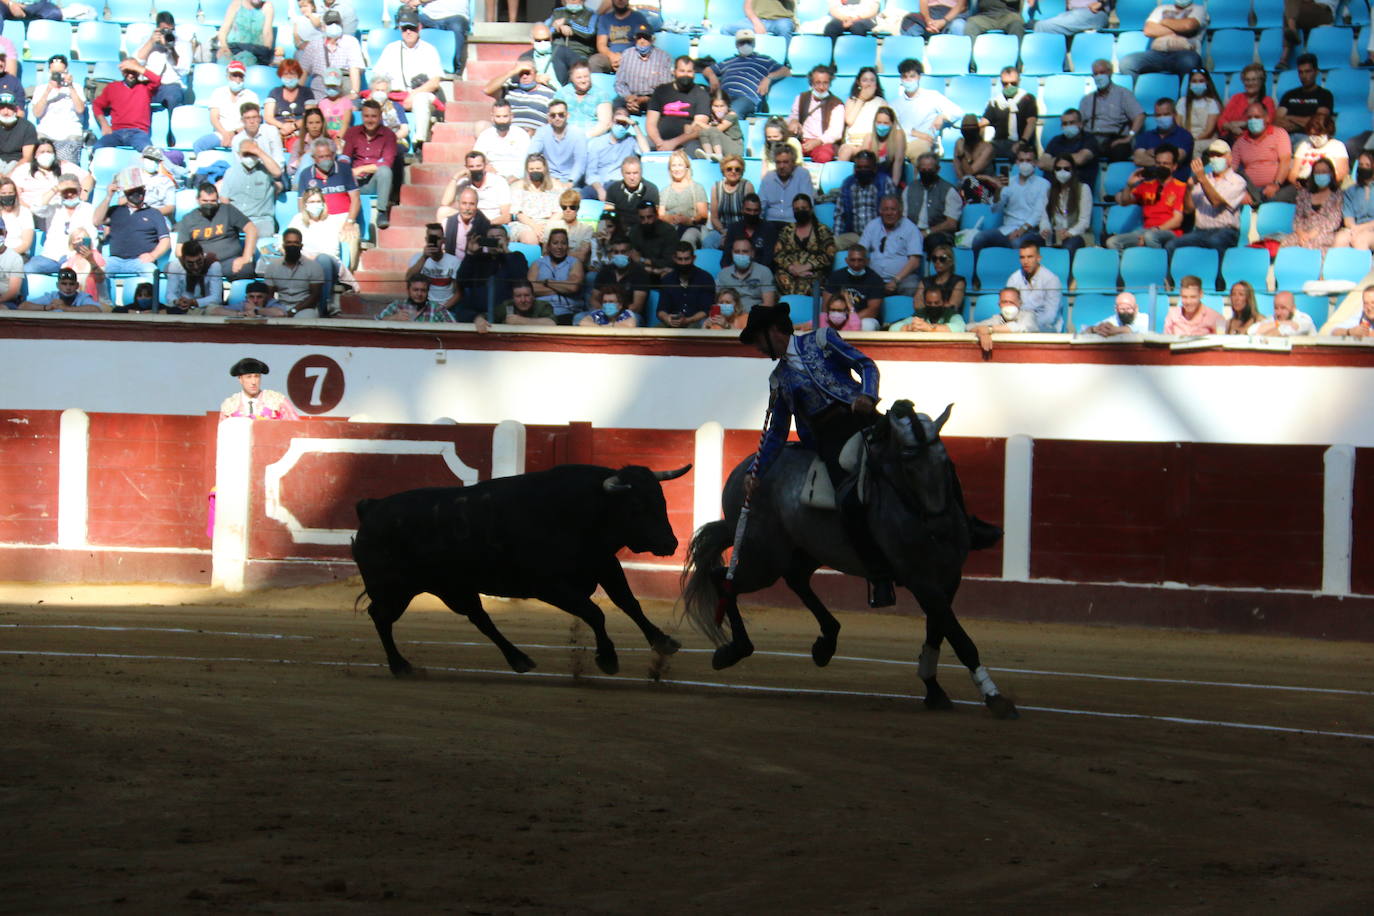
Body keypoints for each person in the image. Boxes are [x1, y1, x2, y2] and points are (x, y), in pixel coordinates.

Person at [737, 301, 893, 606]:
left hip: (862, 417)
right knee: (849, 499)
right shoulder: (778, 379)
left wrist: (867, 395)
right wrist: (756, 471)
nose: (756, 347)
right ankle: (878, 575)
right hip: (830, 439)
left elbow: (866, 365)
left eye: (756, 338)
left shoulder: (821, 340)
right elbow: (778, 432)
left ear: (772, 332)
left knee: (921, 452)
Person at [371, 10, 444, 144]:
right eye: (405, 28)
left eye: (412, 28)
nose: (408, 32)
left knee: (421, 99)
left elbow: (435, 82)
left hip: (421, 94)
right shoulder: (390, 49)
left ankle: (419, 143)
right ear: (400, 29)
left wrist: (412, 95)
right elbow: (378, 77)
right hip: (394, 96)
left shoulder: (429, 50)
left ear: (419, 28)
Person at [1166, 139, 1248, 254]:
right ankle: (1174, 272)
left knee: (1213, 243)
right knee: (1172, 245)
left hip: (1226, 231)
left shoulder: (1237, 181)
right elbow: (1189, 210)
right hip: (1200, 231)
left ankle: (1218, 272)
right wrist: (1189, 188)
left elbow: (1216, 202)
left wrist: (1202, 179)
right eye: (1212, 156)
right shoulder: (1202, 179)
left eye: (1219, 155)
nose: (1215, 159)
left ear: (1229, 158)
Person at [93, 173, 169, 285]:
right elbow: (96, 221)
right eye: (131, 191)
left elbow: (165, 241)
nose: (136, 194)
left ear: (144, 191)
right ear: (126, 192)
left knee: (152, 273)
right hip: (115, 260)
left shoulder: (154, 214)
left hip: (141, 261)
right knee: (97, 274)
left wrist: (153, 255)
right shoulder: (116, 211)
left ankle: (152, 302)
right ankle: (104, 302)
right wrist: (109, 196)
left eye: (139, 190)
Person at [1107, 143, 1187, 249]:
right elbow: (1125, 202)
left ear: (1174, 166)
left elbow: (1177, 221)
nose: (1161, 166)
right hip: (1146, 230)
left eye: (1166, 164)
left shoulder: (1181, 187)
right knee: (1112, 242)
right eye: (1158, 163)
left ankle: (1160, 263)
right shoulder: (1146, 185)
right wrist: (1129, 186)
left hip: (1169, 232)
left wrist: (1155, 230)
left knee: (1150, 237)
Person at [973, 146, 1049, 252]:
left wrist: (1021, 230)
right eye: (1021, 160)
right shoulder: (1009, 182)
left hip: (1030, 231)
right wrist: (998, 190)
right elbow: (995, 209)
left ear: (1035, 162)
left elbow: (1038, 213)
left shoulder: (1043, 184)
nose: (1025, 164)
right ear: (1016, 163)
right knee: (979, 238)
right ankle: (976, 268)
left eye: (1028, 160)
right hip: (1006, 229)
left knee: (1017, 243)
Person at [175, 183, 258, 280]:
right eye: (205, 201)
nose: (209, 204)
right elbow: (179, 250)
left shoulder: (228, 210)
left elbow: (251, 229)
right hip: (201, 264)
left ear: (218, 199)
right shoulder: (188, 219)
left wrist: (245, 257)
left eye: (213, 201)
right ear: (197, 200)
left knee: (245, 269)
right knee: (172, 269)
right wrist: (196, 263)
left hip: (229, 261)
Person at [286, 186, 355, 302]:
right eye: (312, 202)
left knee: (322, 260)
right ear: (305, 204)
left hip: (327, 262)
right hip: (302, 261)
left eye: (318, 201)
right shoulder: (297, 220)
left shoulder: (332, 221)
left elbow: (332, 251)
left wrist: (313, 258)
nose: (315, 204)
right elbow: (286, 242)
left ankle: (323, 305)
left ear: (323, 203)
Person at [705, 29, 790, 120]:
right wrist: (712, 76)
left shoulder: (765, 60)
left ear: (754, 44)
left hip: (747, 98)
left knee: (733, 113)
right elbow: (708, 69)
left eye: (749, 42)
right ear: (737, 45)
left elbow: (786, 71)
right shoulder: (728, 61)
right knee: (704, 110)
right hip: (724, 97)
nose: (746, 45)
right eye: (742, 42)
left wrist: (768, 78)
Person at [342, 99, 398, 228]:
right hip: (354, 182)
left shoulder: (389, 135)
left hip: (374, 181)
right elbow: (345, 157)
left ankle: (382, 211)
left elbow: (387, 162)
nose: (370, 120)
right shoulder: (352, 133)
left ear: (380, 117)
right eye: (366, 116)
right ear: (362, 116)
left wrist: (361, 169)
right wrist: (348, 171)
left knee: (385, 171)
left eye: (374, 116)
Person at [890, 59, 960, 163]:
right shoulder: (895, 104)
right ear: (901, 79)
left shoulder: (932, 96)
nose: (908, 80)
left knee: (922, 154)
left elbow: (958, 112)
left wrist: (942, 116)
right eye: (905, 77)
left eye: (912, 76)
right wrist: (915, 133)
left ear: (919, 77)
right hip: (900, 143)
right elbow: (891, 128)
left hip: (923, 144)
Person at [454, 226, 530, 320]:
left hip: (506, 311)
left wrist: (506, 251)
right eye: (491, 238)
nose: (494, 240)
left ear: (507, 240)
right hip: (479, 312)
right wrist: (470, 254)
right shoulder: (478, 259)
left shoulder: (516, 257)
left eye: (498, 237)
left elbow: (520, 278)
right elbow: (462, 281)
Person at [24, 174, 94, 275]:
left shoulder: (88, 209)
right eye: (66, 191)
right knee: (28, 269)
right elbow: (36, 208)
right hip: (50, 257)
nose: (69, 194)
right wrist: (56, 189)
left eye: (73, 191)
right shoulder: (53, 207)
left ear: (79, 190)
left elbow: (92, 236)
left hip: (75, 257)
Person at [772, 193, 836, 298]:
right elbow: (778, 253)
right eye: (796, 209)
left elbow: (829, 255)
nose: (800, 211)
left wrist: (806, 267)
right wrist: (792, 268)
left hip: (813, 273)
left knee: (807, 284)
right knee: (780, 278)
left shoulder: (822, 230)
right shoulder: (787, 230)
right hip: (789, 272)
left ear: (810, 209)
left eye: (803, 208)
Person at [1119, 0, 1206, 77]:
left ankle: (1183, 94)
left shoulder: (1199, 9)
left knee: (1189, 61)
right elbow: (1149, 30)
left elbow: (1188, 26)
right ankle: (1132, 94)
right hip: (1157, 54)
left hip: (1185, 53)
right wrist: (1180, 30)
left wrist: (1164, 21)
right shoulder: (1160, 8)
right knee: (1127, 63)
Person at [1080, 59, 1144, 163]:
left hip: (1115, 139)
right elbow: (1080, 123)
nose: (1098, 77)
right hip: (1092, 139)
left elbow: (1139, 116)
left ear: (1110, 72)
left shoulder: (1123, 94)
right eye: (1095, 74)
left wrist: (1129, 137)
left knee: (1120, 151)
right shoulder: (1087, 99)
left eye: (1102, 73)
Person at [221, 138, 285, 240]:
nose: (250, 157)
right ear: (239, 154)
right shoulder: (230, 172)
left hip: (261, 220)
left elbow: (277, 172)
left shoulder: (267, 171)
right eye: (246, 154)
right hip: (236, 219)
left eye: (253, 154)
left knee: (263, 236)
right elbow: (224, 200)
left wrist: (258, 151)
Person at [837, 145, 900, 248]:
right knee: (831, 244)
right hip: (855, 235)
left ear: (874, 168)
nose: (863, 170)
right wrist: (837, 235)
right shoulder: (847, 184)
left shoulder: (884, 182)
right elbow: (840, 215)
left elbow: (893, 213)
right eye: (859, 168)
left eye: (866, 168)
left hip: (880, 234)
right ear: (855, 169)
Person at [859, 195, 922, 296]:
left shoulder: (911, 228)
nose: (889, 213)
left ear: (900, 211)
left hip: (902, 279)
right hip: (875, 278)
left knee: (912, 285)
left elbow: (915, 261)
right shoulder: (872, 225)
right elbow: (860, 251)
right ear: (880, 211)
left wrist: (896, 280)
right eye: (885, 209)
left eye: (893, 209)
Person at [1231, 103, 1294, 205]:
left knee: (1274, 200)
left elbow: (1285, 162)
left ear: (1267, 118)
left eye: (1257, 117)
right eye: (1250, 118)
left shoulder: (1279, 134)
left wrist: (1276, 184)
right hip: (1250, 190)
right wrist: (1241, 192)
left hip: (1277, 187)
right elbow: (1232, 169)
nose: (1253, 121)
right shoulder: (1240, 142)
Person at [1276, 157, 1343, 251]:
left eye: (1324, 172)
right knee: (1286, 244)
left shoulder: (1337, 195)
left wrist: (1314, 233)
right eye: (1317, 172)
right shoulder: (1304, 193)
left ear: (1331, 174)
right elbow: (1297, 218)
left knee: (1310, 245)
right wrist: (1301, 233)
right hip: (1303, 232)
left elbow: (1334, 221)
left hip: (1324, 233)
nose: (1320, 175)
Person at [92, 59, 160, 151]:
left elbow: (157, 80)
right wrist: (104, 124)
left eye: (133, 72)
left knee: (148, 151)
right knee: (97, 149)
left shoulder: (145, 87)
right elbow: (97, 105)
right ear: (122, 72)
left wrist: (136, 67)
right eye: (127, 71)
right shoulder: (113, 87)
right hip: (116, 133)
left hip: (138, 132)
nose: (130, 75)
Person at [257, 226, 326, 317]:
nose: (292, 246)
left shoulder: (314, 267)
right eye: (289, 242)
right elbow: (269, 294)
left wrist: (294, 310)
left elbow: (315, 296)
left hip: (305, 308)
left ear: (301, 246)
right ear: (283, 246)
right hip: (280, 306)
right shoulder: (273, 266)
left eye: (295, 243)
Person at [647, 56, 710, 155]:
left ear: (694, 73)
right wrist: (659, 143)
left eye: (689, 71)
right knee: (640, 145)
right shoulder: (661, 90)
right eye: (682, 71)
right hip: (659, 140)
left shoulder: (701, 94)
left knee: (695, 150)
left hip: (687, 142)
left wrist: (673, 143)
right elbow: (650, 123)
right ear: (674, 71)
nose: (686, 75)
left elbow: (699, 127)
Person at [194, 61, 260, 153]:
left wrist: (234, 134)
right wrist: (225, 134)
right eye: (234, 75)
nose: (237, 79)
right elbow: (214, 118)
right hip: (221, 133)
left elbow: (253, 121)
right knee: (199, 145)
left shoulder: (251, 96)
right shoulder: (218, 93)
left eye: (240, 76)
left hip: (244, 134)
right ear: (228, 76)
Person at [29, 57, 84, 164]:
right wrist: (47, 91)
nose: (58, 75)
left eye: (60, 72)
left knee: (66, 166)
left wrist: (70, 87)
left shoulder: (76, 87)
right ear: (49, 71)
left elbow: (80, 109)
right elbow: (37, 113)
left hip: (70, 133)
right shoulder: (41, 88)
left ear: (66, 71)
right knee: (41, 163)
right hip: (46, 134)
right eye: (55, 72)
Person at [297, 10, 364, 98]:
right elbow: (304, 71)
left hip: (343, 93)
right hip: (319, 94)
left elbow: (354, 68)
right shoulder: (314, 45)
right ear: (323, 26)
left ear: (342, 25)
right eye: (330, 23)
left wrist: (354, 93)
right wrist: (297, 95)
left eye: (337, 23)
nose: (334, 26)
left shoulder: (351, 42)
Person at [786, 66, 845, 164]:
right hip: (802, 140)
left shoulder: (837, 103)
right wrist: (793, 121)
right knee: (786, 152)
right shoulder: (801, 97)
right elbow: (794, 115)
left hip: (822, 143)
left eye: (825, 83)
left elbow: (836, 132)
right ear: (811, 83)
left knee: (824, 156)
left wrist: (818, 141)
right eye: (818, 83)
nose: (821, 87)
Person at [133, 13, 190, 112]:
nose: (167, 33)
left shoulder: (183, 44)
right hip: (148, 84)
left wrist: (171, 48)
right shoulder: (147, 40)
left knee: (172, 97)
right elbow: (135, 62)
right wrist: (151, 42)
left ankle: (171, 126)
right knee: (136, 97)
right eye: (164, 30)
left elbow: (183, 70)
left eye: (170, 30)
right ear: (157, 29)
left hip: (170, 85)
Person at [486, 55, 557, 135]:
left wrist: (536, 133)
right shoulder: (509, 89)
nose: (524, 76)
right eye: (520, 73)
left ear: (535, 73)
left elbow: (554, 122)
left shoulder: (549, 94)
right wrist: (512, 72)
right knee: (481, 126)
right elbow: (487, 90)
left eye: (527, 73)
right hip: (507, 134)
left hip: (534, 136)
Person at [614, 25, 672, 118]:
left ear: (652, 40)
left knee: (664, 105)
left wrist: (644, 99)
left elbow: (665, 88)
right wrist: (629, 97)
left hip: (652, 98)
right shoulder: (627, 54)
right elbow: (619, 82)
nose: (642, 41)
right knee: (616, 104)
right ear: (635, 39)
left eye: (646, 38)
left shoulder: (663, 57)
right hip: (630, 97)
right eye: (639, 38)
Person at [400, 0, 470, 78]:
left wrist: (419, 1)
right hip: (428, 16)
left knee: (457, 27)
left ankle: (456, 70)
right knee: (407, 22)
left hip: (456, 15)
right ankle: (406, 66)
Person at [510, 152, 568, 245]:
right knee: (530, 239)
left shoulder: (556, 186)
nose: (535, 171)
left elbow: (559, 211)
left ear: (545, 169)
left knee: (556, 236)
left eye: (538, 168)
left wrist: (546, 227)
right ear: (527, 170)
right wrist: (535, 227)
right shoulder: (518, 186)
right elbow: (518, 214)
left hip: (551, 222)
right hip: (526, 223)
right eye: (531, 169)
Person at [904, 152, 961, 245]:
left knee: (934, 241)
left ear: (937, 169)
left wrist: (927, 232)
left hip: (938, 234)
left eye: (930, 169)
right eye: (923, 169)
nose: (926, 171)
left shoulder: (949, 190)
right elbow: (904, 217)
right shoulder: (909, 189)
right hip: (913, 232)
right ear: (918, 169)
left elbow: (951, 224)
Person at [1006, 237, 1062, 332]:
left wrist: (1026, 324)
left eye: (1030, 257)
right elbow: (1008, 308)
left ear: (1039, 258)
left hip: (1046, 329)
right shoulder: (1014, 278)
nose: (1025, 261)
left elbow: (1050, 317)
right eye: (1022, 257)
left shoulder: (1051, 280)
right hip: (1018, 327)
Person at [441, 150, 510, 227]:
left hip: (491, 222)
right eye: (471, 166)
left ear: (485, 166)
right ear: (466, 167)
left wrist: (486, 224)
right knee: (443, 211)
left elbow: (506, 217)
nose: (476, 169)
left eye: (478, 166)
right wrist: (455, 178)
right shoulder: (464, 182)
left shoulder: (498, 182)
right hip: (469, 219)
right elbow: (445, 203)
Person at [529, 227, 586, 320]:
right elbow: (531, 289)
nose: (559, 247)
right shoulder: (537, 264)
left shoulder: (575, 262)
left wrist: (547, 282)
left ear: (568, 246)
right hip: (542, 311)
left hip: (569, 311)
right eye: (555, 243)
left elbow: (573, 287)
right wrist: (563, 288)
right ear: (548, 246)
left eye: (563, 243)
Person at [981, 66, 1037, 160]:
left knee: (1019, 152)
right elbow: (984, 121)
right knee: (984, 151)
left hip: (1021, 143)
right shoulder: (996, 101)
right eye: (1005, 83)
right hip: (999, 142)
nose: (1009, 86)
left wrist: (1022, 142)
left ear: (1019, 81)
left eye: (1013, 83)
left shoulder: (1028, 99)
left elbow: (1031, 122)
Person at [1040, 156, 1092, 255]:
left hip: (1077, 235)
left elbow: (1084, 222)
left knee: (1068, 246)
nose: (1062, 172)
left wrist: (1069, 233)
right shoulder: (1049, 191)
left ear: (1073, 170)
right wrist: (1045, 228)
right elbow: (1044, 218)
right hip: (1055, 235)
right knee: (1031, 242)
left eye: (1066, 169)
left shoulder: (1083, 189)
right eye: (1058, 169)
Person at [529, 99, 588, 186]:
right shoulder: (542, 132)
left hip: (570, 180)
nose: (557, 118)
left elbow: (580, 163)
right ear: (549, 117)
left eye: (561, 115)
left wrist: (570, 182)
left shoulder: (578, 134)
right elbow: (531, 154)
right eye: (553, 115)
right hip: (547, 178)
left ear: (567, 115)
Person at [220, 357, 301, 420]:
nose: (254, 382)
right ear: (240, 379)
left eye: (257, 376)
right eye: (249, 377)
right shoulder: (229, 406)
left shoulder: (277, 401)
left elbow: (295, 427)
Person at [405, 222, 462, 311]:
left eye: (438, 239)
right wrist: (424, 257)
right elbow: (408, 279)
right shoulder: (417, 258)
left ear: (444, 240)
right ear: (426, 239)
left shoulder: (454, 261)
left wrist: (442, 308)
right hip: (422, 305)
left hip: (447, 306)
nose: (435, 242)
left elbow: (459, 293)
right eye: (431, 238)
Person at [1132, 98, 1194, 180]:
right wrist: (1166, 161)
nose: (1162, 118)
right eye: (1158, 115)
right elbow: (1138, 159)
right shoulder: (1146, 136)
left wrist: (1150, 153)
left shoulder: (1185, 136)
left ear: (1174, 114)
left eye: (1166, 114)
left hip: (1175, 185)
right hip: (1148, 184)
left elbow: (1178, 157)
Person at [656, 241, 714, 327]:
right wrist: (667, 318)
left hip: (696, 323)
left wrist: (688, 320)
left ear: (693, 258)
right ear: (674, 258)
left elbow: (706, 310)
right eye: (680, 259)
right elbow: (661, 310)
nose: (683, 263)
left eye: (687, 259)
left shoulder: (705, 278)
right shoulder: (667, 279)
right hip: (671, 323)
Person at [824, 244, 885, 324]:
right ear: (846, 260)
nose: (856, 264)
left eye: (860, 260)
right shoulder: (836, 277)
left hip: (864, 318)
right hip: (838, 317)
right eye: (853, 260)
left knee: (867, 325)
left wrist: (850, 321)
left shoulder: (875, 279)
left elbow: (873, 310)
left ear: (867, 261)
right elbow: (826, 305)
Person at [1040, 107, 1100, 188]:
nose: (1068, 126)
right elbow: (1042, 163)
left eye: (1072, 123)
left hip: (1078, 188)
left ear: (1080, 124)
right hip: (1053, 188)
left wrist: (1054, 162)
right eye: (1065, 123)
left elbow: (1080, 159)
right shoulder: (1056, 140)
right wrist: (1071, 162)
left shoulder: (1089, 139)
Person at [1274, 54, 1332, 137]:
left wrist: (1290, 118)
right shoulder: (1289, 95)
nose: (1304, 76)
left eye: (1308, 71)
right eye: (1301, 72)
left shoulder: (1325, 95)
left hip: (1311, 137)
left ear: (1316, 72)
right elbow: (1277, 122)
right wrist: (1305, 122)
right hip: (1286, 138)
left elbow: (1318, 123)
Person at [473, 102, 532, 182]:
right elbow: (477, 158)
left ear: (511, 117)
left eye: (505, 116)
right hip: (491, 178)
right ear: (492, 117)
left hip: (517, 179)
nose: (502, 121)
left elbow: (527, 161)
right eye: (498, 117)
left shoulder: (521, 135)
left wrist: (513, 178)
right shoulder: (485, 135)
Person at [660, 148, 708, 247]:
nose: (677, 169)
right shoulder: (665, 191)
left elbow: (703, 214)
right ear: (670, 169)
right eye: (674, 165)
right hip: (671, 227)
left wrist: (689, 220)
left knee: (687, 239)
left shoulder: (697, 188)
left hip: (692, 227)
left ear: (686, 167)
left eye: (680, 165)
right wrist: (670, 218)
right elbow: (660, 215)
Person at [592, 235, 652, 315]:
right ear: (612, 253)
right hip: (604, 313)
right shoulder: (605, 271)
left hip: (629, 315)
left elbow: (637, 307)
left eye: (623, 252)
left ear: (630, 253)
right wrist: (604, 312)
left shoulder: (640, 273)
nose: (619, 255)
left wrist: (615, 315)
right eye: (616, 252)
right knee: (579, 318)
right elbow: (594, 299)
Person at [544, 0, 600, 84]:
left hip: (580, 53)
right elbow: (544, 31)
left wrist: (569, 22)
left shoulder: (592, 14)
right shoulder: (557, 12)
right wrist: (559, 28)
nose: (573, 1)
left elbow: (590, 33)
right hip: (558, 51)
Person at [705, 154, 753, 250]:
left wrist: (733, 233)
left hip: (742, 229)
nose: (733, 171)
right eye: (729, 169)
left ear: (741, 171)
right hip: (721, 229)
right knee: (708, 242)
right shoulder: (716, 187)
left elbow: (750, 215)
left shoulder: (747, 186)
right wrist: (724, 232)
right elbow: (714, 217)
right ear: (723, 170)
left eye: (737, 169)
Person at [719, 192, 780, 268]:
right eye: (748, 210)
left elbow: (768, 258)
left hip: (760, 272)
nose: (752, 213)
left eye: (755, 210)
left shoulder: (769, 229)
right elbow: (726, 257)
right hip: (735, 271)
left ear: (760, 211)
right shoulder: (733, 228)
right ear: (742, 210)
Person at [554, 59, 612, 138]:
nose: (583, 81)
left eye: (586, 76)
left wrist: (585, 137)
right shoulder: (562, 94)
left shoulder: (601, 95)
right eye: (579, 78)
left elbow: (605, 123)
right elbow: (555, 118)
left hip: (593, 137)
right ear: (571, 78)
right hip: (565, 137)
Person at [716, 236, 777, 311]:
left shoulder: (764, 272)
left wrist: (745, 317)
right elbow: (718, 303)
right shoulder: (723, 274)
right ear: (732, 253)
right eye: (737, 252)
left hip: (755, 317)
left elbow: (769, 304)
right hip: (730, 318)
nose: (741, 255)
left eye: (745, 251)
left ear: (752, 253)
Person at [165, 239, 226, 314]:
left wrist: (193, 302)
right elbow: (170, 294)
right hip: (182, 308)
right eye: (190, 263)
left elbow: (216, 298)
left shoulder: (214, 265)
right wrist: (176, 301)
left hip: (206, 308)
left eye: (199, 262)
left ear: (203, 255)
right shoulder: (175, 266)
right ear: (183, 259)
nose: (196, 267)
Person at [758, 145, 815, 225]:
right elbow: (761, 205)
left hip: (795, 223)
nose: (781, 166)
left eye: (785, 162)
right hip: (770, 223)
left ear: (793, 162)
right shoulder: (768, 177)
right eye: (778, 162)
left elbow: (807, 204)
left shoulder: (803, 175)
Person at [1218, 63, 1274, 143]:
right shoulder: (1236, 98)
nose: (1250, 83)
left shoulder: (1267, 101)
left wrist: (1241, 124)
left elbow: (1266, 123)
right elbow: (1222, 120)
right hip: (1230, 138)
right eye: (1247, 80)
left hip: (1253, 141)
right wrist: (1231, 127)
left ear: (1261, 82)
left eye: (1254, 80)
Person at [837, 68, 885, 162]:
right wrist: (862, 99)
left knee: (867, 144)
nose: (868, 84)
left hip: (872, 142)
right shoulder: (852, 100)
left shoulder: (881, 102)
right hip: (852, 143)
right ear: (858, 83)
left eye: (872, 80)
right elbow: (849, 121)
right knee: (845, 150)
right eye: (865, 80)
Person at [474, 278, 558, 330]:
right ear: (513, 298)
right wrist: (479, 320)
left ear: (533, 296)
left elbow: (551, 323)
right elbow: (485, 316)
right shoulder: (507, 306)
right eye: (518, 296)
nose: (523, 300)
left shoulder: (542, 306)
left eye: (527, 295)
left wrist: (521, 320)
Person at [971, 286, 1037, 353]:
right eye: (1004, 302)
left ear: (1020, 303)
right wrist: (981, 332)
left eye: (1011, 302)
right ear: (999, 304)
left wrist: (989, 329)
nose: (1008, 305)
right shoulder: (997, 318)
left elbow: (1020, 327)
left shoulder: (1028, 316)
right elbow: (969, 327)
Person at [1288, 116, 1348, 188]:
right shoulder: (1304, 145)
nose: (1316, 139)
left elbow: (1342, 173)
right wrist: (1296, 182)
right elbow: (1294, 172)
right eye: (1313, 135)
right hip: (1302, 186)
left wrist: (1323, 185)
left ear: (1328, 133)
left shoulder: (1337, 146)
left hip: (1326, 186)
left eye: (1319, 135)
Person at [593, 0, 651, 73]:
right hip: (610, 57)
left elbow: (643, 43)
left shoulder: (638, 17)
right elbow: (601, 44)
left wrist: (625, 58)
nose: (620, 1)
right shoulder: (605, 19)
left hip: (632, 57)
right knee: (595, 61)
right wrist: (612, 56)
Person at [1277, 0, 1335, 72]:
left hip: (1324, 11)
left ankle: (1284, 58)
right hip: (1309, 8)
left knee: (1289, 14)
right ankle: (1292, 30)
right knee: (1288, 14)